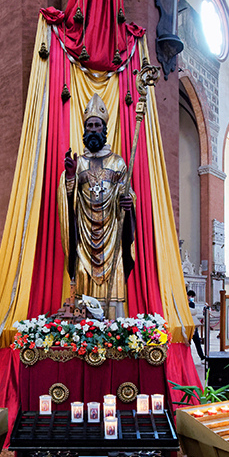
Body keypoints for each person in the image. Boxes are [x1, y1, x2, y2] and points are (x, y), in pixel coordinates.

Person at [59, 93, 135, 317]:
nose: (93, 129)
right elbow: (67, 198)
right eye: (89, 125)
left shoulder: (118, 162)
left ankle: (116, 330)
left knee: (116, 276)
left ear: (104, 129)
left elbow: (126, 191)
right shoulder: (79, 162)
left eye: (97, 125)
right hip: (85, 238)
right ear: (85, 129)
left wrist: (128, 199)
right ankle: (87, 331)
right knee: (83, 274)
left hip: (112, 236)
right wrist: (70, 177)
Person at [187, 289, 206, 359]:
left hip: (193, 325)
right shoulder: (183, 303)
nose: (192, 298)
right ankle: (188, 358)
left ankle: (202, 356)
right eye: (191, 297)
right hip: (187, 325)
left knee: (197, 341)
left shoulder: (192, 304)